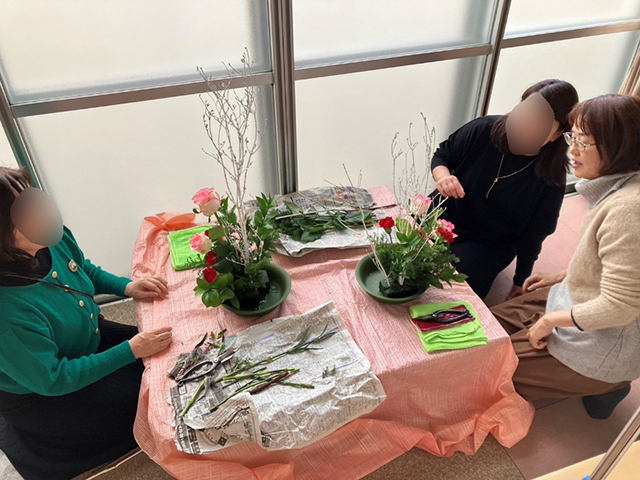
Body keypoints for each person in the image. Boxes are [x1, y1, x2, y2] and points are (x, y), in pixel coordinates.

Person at [0, 167, 173, 479]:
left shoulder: (49, 236)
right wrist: (130, 350)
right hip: (44, 392)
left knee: (167, 360)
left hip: (85, 336)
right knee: (153, 403)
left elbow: (82, 268)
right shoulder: (7, 312)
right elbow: (53, 379)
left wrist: (127, 286)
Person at [490, 94, 640, 418]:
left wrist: (548, 321)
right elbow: (615, 267)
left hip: (604, 339)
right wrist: (562, 277)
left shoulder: (629, 209)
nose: (572, 150)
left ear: (619, 147)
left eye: (583, 142)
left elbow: (620, 306)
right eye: (573, 137)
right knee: (481, 330)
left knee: (486, 371)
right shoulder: (617, 187)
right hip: (578, 302)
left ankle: (610, 383)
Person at [431, 79, 579, 299]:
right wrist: (443, 177)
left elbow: (535, 234)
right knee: (400, 249)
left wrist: (520, 280)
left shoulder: (551, 177)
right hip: (446, 213)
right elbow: (443, 155)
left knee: (453, 286)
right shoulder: (484, 128)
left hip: (489, 241)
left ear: (557, 134)